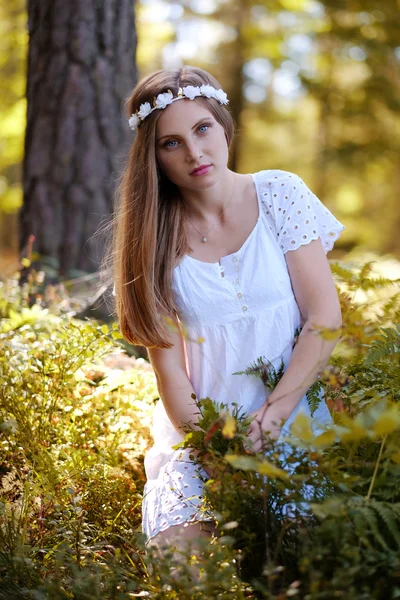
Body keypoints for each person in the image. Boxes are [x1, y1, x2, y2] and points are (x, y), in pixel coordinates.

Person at [108, 65, 345, 573]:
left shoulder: (279, 194)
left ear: (223, 126)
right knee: (188, 567)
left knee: (301, 562)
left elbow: (323, 318)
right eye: (171, 143)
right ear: (154, 158)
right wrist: (219, 455)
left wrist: (274, 416)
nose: (194, 152)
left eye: (202, 129)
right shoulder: (153, 239)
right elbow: (171, 377)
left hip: (292, 418)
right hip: (204, 439)